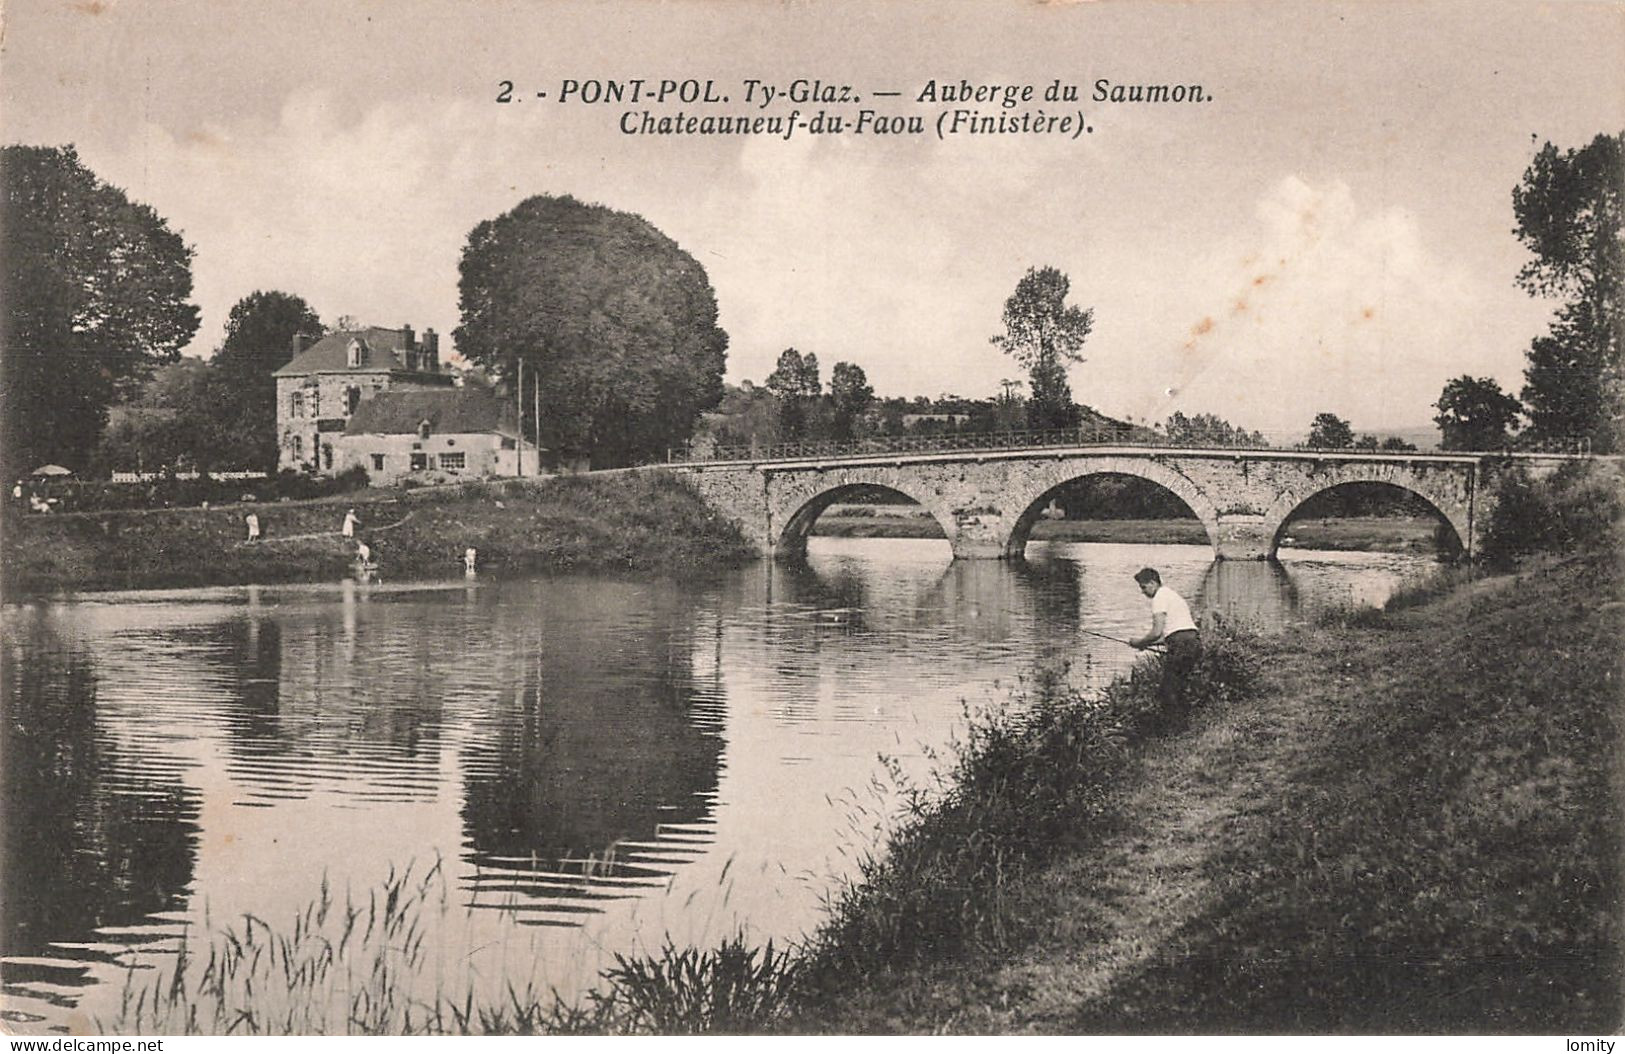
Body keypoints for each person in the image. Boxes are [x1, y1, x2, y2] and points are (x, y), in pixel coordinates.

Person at [1129, 567, 1201, 708]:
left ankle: (1175, 727)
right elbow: (1173, 633)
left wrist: (1138, 642)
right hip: (1193, 642)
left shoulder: (1159, 598)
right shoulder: (1172, 595)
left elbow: (1157, 632)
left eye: (1143, 587)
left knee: (1168, 692)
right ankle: (1184, 724)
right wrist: (1147, 645)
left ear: (1153, 583)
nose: (1142, 592)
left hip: (1181, 645)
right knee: (1179, 688)